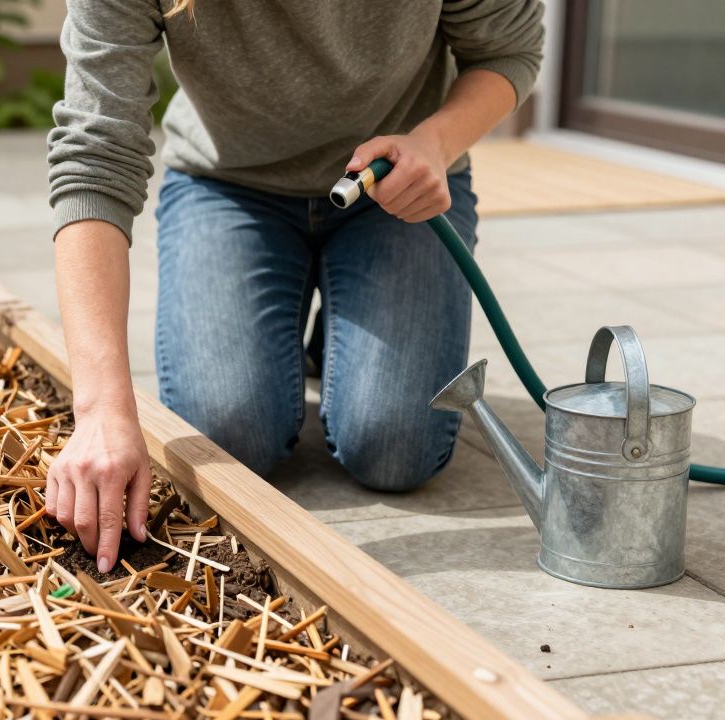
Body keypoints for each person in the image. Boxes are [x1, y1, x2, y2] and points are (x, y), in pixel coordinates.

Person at [44, 0, 545, 572]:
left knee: (396, 450)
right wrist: (102, 409)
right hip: (229, 183)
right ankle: (321, 321)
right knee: (230, 435)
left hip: (395, 184)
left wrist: (437, 142)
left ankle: (332, 332)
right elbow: (94, 156)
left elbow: (507, 52)